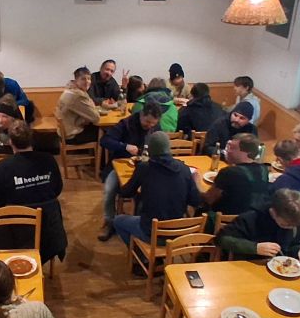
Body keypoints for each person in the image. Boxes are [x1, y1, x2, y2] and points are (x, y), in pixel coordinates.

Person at [0, 121, 67, 264]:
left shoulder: (2, 167)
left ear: (10, 142)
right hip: (49, 232)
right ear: (31, 140)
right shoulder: (49, 160)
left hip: (14, 234)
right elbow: (57, 189)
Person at [113, 132, 203, 246]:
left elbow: (126, 192)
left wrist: (117, 186)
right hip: (179, 232)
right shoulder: (184, 169)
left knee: (118, 221)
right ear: (169, 148)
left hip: (152, 232)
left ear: (150, 150)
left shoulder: (144, 168)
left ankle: (138, 252)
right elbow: (196, 201)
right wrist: (196, 182)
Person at [97, 102, 161, 241]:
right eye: (147, 122)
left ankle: (140, 224)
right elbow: (105, 140)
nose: (150, 126)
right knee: (109, 190)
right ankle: (109, 221)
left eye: (153, 123)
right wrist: (124, 146)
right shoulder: (126, 124)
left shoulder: (155, 127)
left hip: (147, 167)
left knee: (151, 191)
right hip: (121, 165)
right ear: (141, 115)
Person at [217, 188, 300, 264]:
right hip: (249, 264)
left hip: (279, 266)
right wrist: (255, 248)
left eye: (294, 226)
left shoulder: (294, 221)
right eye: (285, 225)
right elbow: (221, 239)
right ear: (273, 212)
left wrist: (299, 251)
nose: (291, 228)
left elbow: (293, 244)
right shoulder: (251, 218)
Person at [198, 133, 269, 216]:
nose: (227, 151)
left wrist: (196, 182)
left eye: (232, 148)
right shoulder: (264, 169)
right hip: (253, 218)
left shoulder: (229, 172)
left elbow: (208, 199)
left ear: (246, 152)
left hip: (225, 220)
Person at [56, 68, 100, 145]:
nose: (87, 81)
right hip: (72, 135)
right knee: (105, 132)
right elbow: (95, 118)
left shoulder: (70, 90)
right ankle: (102, 153)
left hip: (65, 132)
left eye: (89, 79)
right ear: (76, 80)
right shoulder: (77, 95)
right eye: (83, 79)